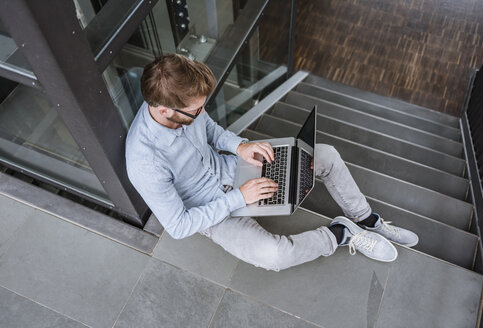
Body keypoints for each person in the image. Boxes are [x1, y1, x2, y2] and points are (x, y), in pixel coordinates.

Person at [125, 54, 418, 272]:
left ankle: (366, 219)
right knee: (273, 256)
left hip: (234, 170)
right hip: (213, 212)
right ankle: (341, 233)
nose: (202, 112)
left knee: (325, 154)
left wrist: (240, 146)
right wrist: (240, 197)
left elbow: (210, 130)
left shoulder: (182, 102)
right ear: (164, 110)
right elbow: (178, 225)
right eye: (196, 109)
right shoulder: (144, 162)